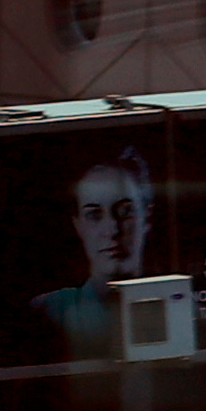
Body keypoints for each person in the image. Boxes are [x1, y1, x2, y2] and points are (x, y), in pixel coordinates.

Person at [34, 151, 158, 356]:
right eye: (94, 215)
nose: (112, 230)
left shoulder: (184, 309)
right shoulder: (49, 312)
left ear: (148, 216)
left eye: (125, 211)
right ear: (78, 225)